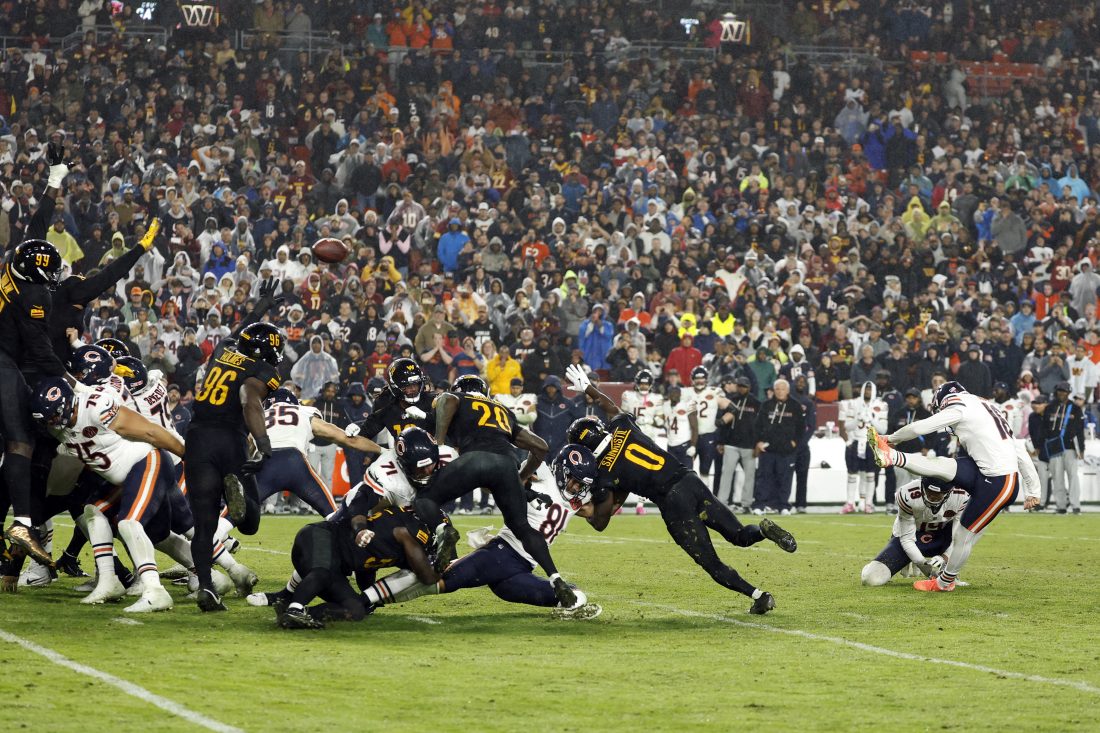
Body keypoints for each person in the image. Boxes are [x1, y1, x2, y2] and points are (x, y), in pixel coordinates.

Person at [564, 364, 796, 615]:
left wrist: (572, 505)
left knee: (710, 562)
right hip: (689, 480)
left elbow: (600, 522)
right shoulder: (623, 427)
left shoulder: (604, 473)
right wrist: (589, 387)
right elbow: (611, 407)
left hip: (673, 502)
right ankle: (762, 530)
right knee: (739, 534)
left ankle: (759, 596)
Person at [357, 448, 602, 620]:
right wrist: (524, 479)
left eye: (581, 485)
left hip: (519, 571)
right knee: (436, 578)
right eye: (574, 482)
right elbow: (523, 463)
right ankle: (365, 600)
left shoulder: (577, 501)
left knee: (577, 596)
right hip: (501, 554)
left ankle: (369, 599)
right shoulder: (544, 476)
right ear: (561, 470)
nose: (576, 489)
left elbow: (594, 509)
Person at [412, 374, 580, 608]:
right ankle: (556, 578)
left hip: (477, 458)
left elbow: (448, 399)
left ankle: (444, 531)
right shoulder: (502, 411)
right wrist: (520, 478)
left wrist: (439, 445)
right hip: (506, 466)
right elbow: (541, 446)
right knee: (522, 527)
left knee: (424, 500)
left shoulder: (458, 398)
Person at [29, 376, 187, 612]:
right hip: (123, 479)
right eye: (47, 418)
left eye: (54, 414)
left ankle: (155, 591)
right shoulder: (56, 427)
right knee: (95, 512)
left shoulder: (95, 407)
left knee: (129, 523)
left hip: (147, 461)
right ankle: (108, 581)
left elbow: (151, 432)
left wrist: (189, 457)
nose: (52, 421)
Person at [870, 381, 1041, 592]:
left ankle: (945, 582)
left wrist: (889, 438)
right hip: (985, 471)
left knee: (962, 535)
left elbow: (920, 427)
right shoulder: (989, 407)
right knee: (942, 464)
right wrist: (1033, 489)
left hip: (998, 482)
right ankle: (893, 456)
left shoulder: (958, 406)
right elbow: (1019, 450)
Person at [183, 289, 286, 612]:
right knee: (251, 522)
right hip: (229, 439)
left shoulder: (223, 351)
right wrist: (264, 444)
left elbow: (242, 330)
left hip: (197, 437)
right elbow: (249, 400)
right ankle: (240, 499)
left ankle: (206, 587)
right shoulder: (263, 371)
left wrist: (261, 307)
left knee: (204, 523)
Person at [0, 138, 70, 565]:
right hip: (4, 365)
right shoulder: (33, 295)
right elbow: (42, 352)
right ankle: (23, 522)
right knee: (21, 443)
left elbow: (36, 228)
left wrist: (55, 178)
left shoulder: (13, 263)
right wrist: (71, 379)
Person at [216, 388, 382, 542]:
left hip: (266, 465)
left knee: (228, 519)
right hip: (295, 463)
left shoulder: (259, 416)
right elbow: (345, 438)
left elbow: (245, 448)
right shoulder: (304, 412)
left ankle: (212, 546)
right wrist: (380, 450)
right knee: (334, 516)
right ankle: (357, 545)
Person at [276, 505, 440, 629]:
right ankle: (294, 609)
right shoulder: (406, 532)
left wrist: (367, 597)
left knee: (355, 610)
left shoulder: (400, 534)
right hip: (319, 536)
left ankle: (300, 615)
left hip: (333, 564)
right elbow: (427, 577)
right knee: (323, 571)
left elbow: (366, 567)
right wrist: (441, 566)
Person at [861, 478, 970, 587]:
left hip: (943, 538)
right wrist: (923, 565)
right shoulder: (908, 493)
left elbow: (960, 538)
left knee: (962, 536)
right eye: (929, 492)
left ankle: (947, 571)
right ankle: (907, 559)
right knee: (870, 579)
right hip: (912, 536)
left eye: (938, 494)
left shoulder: (961, 495)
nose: (932, 497)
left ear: (949, 491)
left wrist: (944, 558)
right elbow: (907, 539)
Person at [350, 357, 436, 442]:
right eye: (407, 386)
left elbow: (447, 426)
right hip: (401, 454)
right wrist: (357, 427)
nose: (413, 389)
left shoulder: (433, 401)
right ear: (395, 387)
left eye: (416, 384)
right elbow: (367, 430)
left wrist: (426, 416)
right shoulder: (388, 408)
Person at [752, 378, 804, 516]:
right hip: (768, 448)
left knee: (785, 478)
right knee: (764, 478)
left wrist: (794, 442)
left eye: (783, 389)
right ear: (774, 391)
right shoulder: (766, 405)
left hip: (787, 450)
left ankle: (783, 506)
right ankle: (760, 505)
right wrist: (758, 442)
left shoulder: (795, 406)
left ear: (787, 390)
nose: (780, 392)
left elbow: (801, 428)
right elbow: (758, 425)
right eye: (777, 389)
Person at [839, 381, 888, 513]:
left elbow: (883, 429)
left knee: (871, 474)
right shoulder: (853, 403)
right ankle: (850, 503)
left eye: (870, 389)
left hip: (871, 443)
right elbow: (847, 426)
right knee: (852, 474)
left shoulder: (881, 405)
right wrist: (857, 418)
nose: (868, 392)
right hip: (855, 441)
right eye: (865, 389)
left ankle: (868, 503)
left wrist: (872, 419)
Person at [716, 375, 758, 511]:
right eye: (739, 385)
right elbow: (724, 424)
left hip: (749, 445)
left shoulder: (756, 403)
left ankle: (746, 504)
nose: (741, 388)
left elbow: (760, 426)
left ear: (749, 387)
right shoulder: (731, 400)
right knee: (726, 474)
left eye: (744, 386)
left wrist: (757, 443)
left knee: (750, 476)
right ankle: (722, 503)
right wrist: (721, 442)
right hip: (731, 443)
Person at [1042, 381, 1085, 514]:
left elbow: (1080, 431)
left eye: (1065, 391)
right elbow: (1045, 430)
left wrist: (1081, 449)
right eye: (1060, 390)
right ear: (1056, 392)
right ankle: (1061, 505)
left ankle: (1075, 505)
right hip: (1054, 447)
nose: (1062, 393)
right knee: (1057, 477)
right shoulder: (1049, 407)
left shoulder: (1076, 408)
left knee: (1073, 476)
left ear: (1069, 392)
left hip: (1070, 447)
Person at [689, 366, 721, 480]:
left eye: (702, 378)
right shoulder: (686, 392)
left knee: (705, 469)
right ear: (692, 379)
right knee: (687, 469)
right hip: (690, 436)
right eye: (697, 378)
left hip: (709, 435)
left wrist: (721, 420)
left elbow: (729, 407)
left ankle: (703, 496)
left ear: (706, 379)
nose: (699, 381)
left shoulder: (715, 392)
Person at [790, 374, 816, 513]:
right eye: (798, 381)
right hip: (788, 445)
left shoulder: (809, 403)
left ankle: (801, 504)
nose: (801, 384)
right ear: (794, 383)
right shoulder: (789, 401)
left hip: (802, 447)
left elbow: (811, 426)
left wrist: (800, 443)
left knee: (802, 476)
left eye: (803, 382)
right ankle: (782, 504)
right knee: (785, 476)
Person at [620, 369, 664, 436]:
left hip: (649, 431)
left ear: (651, 384)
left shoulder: (657, 398)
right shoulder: (628, 396)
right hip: (633, 430)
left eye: (646, 384)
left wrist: (649, 420)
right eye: (641, 384)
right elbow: (623, 417)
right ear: (637, 383)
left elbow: (660, 422)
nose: (643, 386)